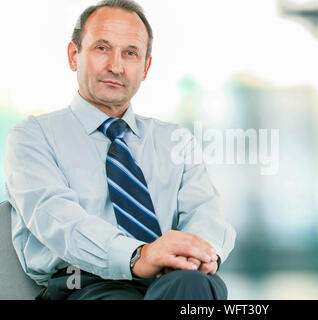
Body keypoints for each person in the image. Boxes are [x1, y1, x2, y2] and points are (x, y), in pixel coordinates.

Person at [3, 0, 236, 300]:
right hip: (85, 286)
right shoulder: (32, 137)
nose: (115, 65)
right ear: (74, 56)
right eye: (102, 48)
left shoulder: (175, 140)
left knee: (194, 285)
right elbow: (58, 220)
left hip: (174, 281)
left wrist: (199, 254)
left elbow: (207, 212)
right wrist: (138, 256)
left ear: (146, 67)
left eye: (130, 53)